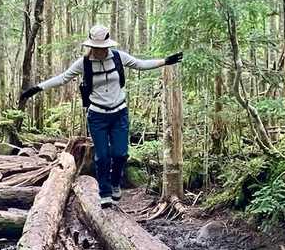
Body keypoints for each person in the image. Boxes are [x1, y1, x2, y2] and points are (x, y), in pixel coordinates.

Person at [19, 24, 183, 206]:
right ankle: (104, 192)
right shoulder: (84, 63)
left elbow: (140, 64)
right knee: (102, 156)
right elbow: (63, 78)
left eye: (102, 47)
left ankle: (115, 183)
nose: (99, 51)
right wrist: (36, 88)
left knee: (120, 154)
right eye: (95, 47)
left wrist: (165, 61)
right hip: (97, 116)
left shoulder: (118, 57)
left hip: (119, 113)